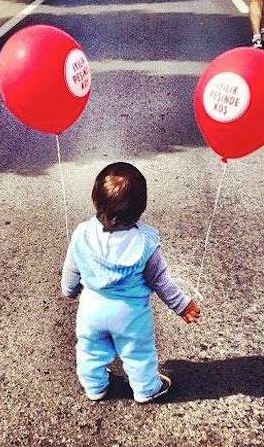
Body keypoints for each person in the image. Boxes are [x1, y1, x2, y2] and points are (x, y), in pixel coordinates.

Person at [61, 162, 200, 403]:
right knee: (139, 354)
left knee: (90, 350)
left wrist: (69, 289)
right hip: (132, 316)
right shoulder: (145, 242)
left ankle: (95, 387)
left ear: (94, 200)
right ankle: (146, 389)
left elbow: (72, 269)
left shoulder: (82, 233)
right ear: (141, 209)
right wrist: (182, 305)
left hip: (91, 310)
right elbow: (161, 281)